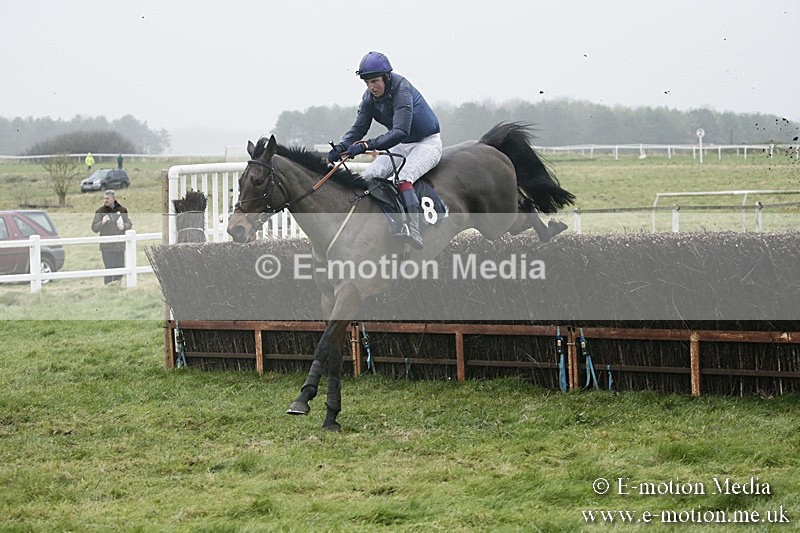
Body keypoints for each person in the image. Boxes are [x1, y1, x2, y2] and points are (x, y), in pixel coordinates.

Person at [327, 51, 442, 249]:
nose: (371, 87)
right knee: (369, 175)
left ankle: (413, 229)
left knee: (404, 178)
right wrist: (341, 147)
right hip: (403, 146)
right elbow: (358, 129)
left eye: (375, 81)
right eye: (367, 83)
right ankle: (382, 224)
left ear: (386, 77)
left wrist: (366, 145)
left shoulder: (402, 90)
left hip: (427, 143)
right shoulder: (369, 98)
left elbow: (400, 131)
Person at [91, 190, 133, 284]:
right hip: (107, 247)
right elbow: (94, 228)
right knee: (109, 268)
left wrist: (124, 226)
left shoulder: (122, 210)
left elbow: (129, 223)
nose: (105, 200)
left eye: (107, 198)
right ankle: (108, 288)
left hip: (119, 246)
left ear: (113, 199)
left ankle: (118, 286)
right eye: (104, 198)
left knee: (120, 267)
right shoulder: (100, 211)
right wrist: (102, 222)